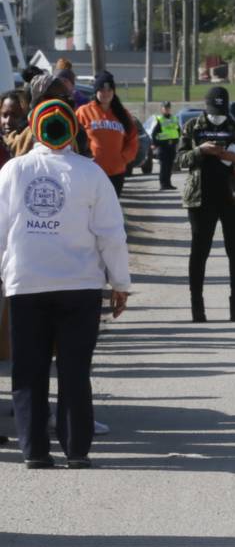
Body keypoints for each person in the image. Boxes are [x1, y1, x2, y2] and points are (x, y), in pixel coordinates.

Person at [1, 99, 131, 468]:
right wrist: (120, 283)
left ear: (35, 127)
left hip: (26, 283)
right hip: (80, 286)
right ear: (73, 128)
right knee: (75, 369)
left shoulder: (13, 171)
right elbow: (111, 235)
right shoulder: (91, 174)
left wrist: (5, 274)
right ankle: (76, 450)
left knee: (29, 369)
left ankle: (35, 451)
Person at [177, 87, 235, 323]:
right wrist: (201, 150)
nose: (217, 117)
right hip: (201, 198)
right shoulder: (193, 127)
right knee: (200, 251)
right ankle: (197, 308)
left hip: (233, 197)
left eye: (221, 112)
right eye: (213, 112)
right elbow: (181, 160)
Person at [76, 71, 138, 196]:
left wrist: (124, 158)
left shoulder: (122, 114)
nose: (106, 93)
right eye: (102, 90)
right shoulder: (84, 112)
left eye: (109, 90)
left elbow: (133, 140)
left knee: (111, 211)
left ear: (113, 91)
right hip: (92, 171)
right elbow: (75, 139)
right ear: (96, 91)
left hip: (116, 172)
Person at [151, 100, 181, 190]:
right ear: (162, 109)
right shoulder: (159, 119)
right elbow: (154, 134)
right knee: (164, 167)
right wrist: (157, 143)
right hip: (163, 147)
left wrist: (175, 140)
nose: (167, 109)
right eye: (165, 108)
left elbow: (178, 131)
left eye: (168, 108)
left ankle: (168, 184)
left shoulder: (174, 118)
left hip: (172, 146)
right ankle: (163, 184)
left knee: (169, 166)